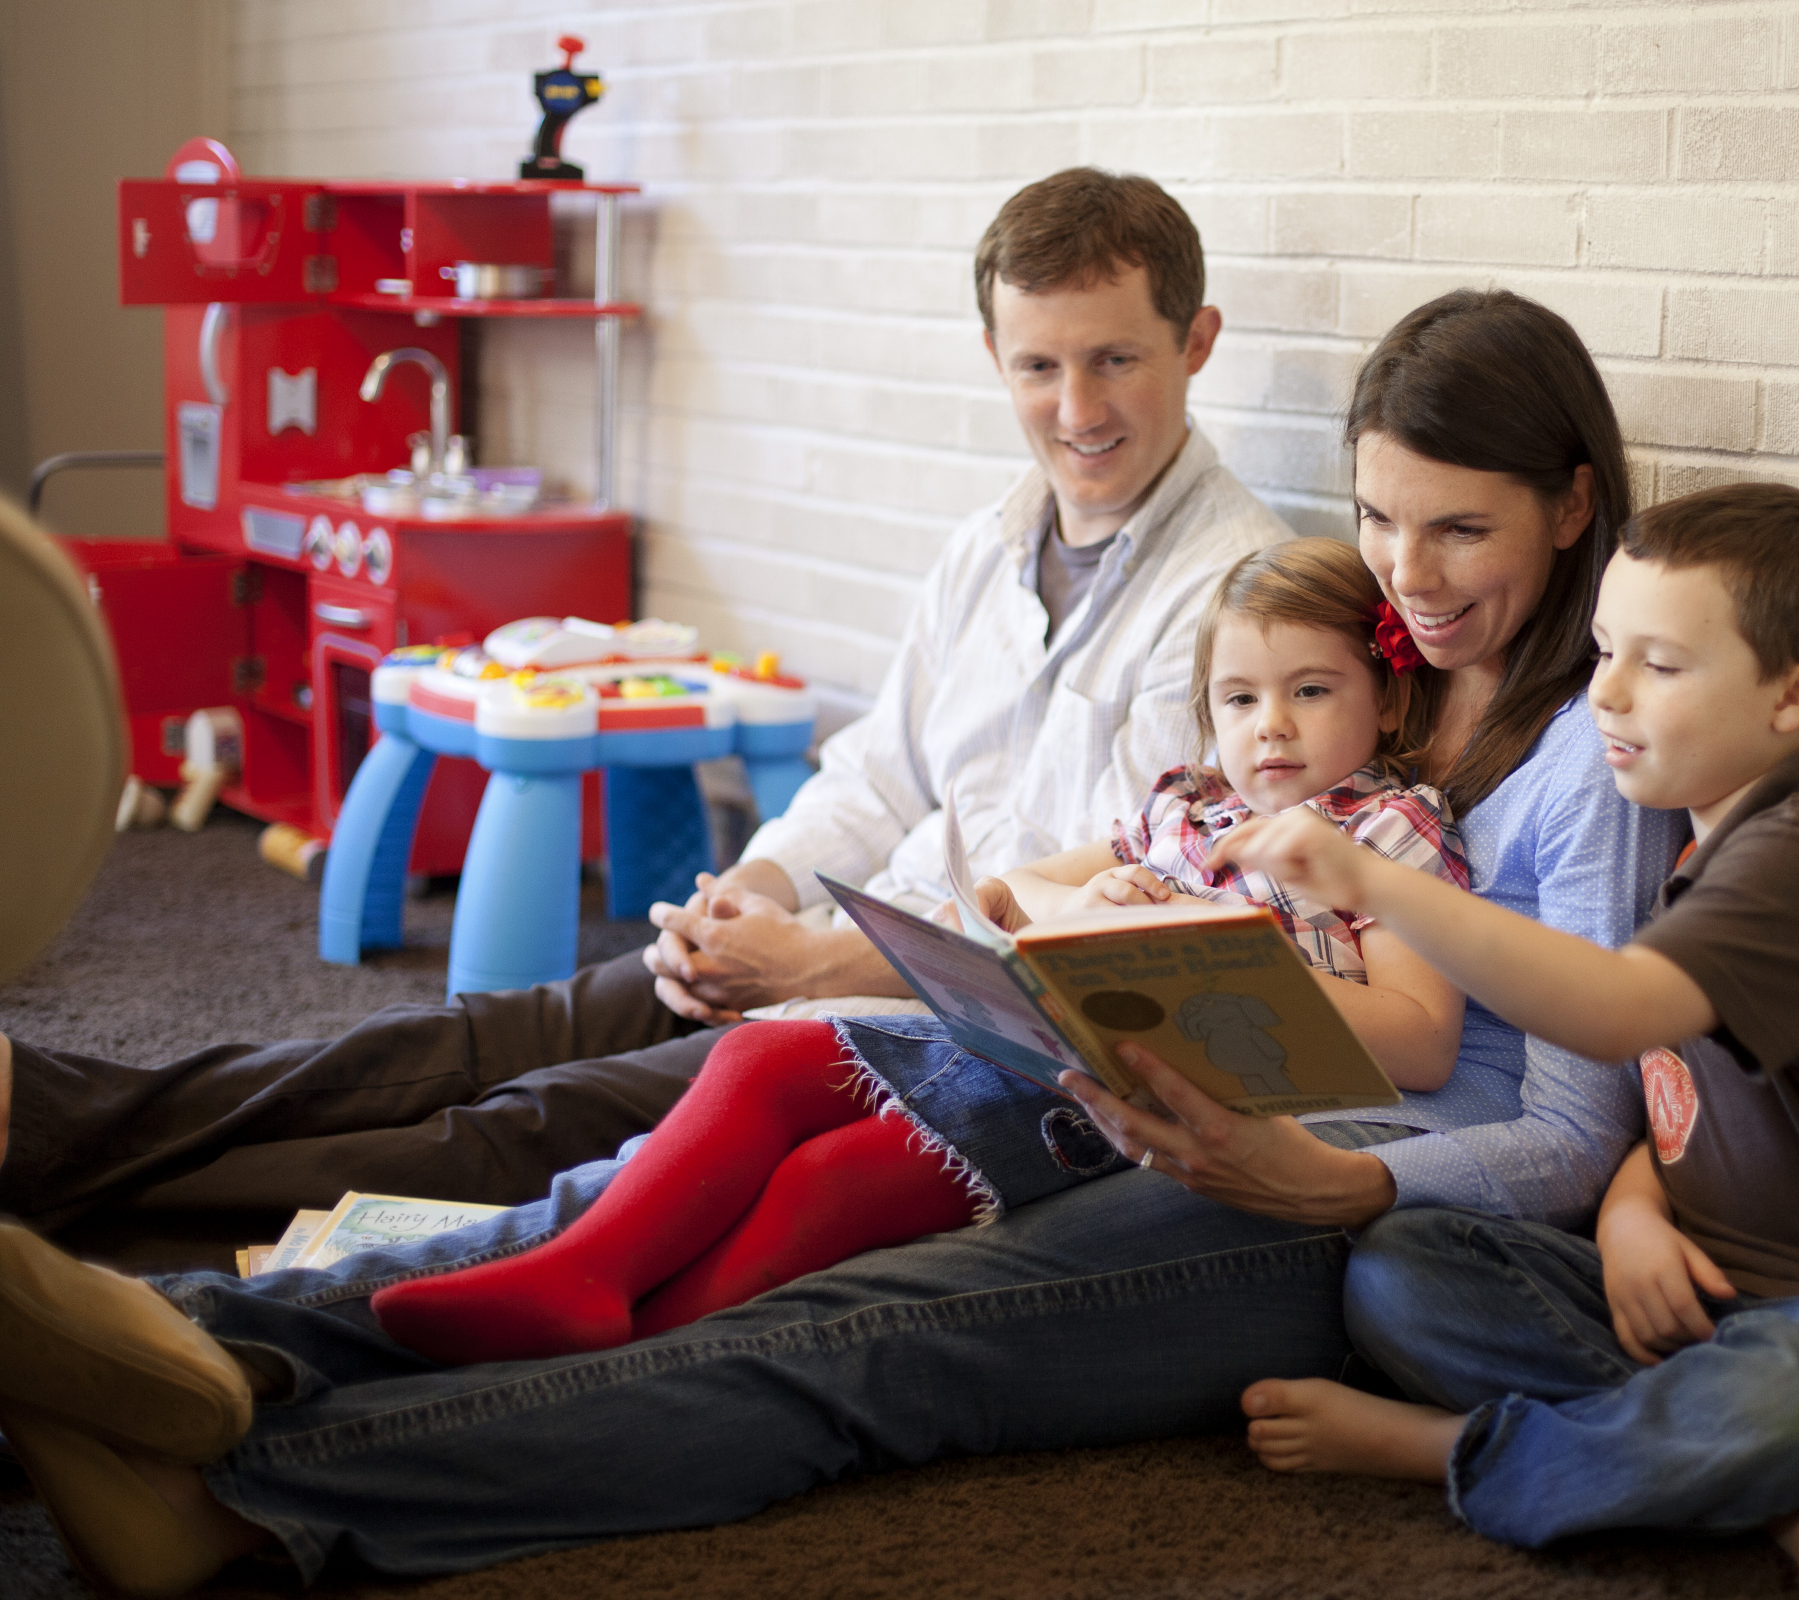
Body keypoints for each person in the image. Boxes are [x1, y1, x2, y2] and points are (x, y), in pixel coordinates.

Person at [0, 289, 1690, 1591]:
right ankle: (205, 1347)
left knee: (851, 1327)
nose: (1413, 572)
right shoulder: (1375, 671)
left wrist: (1342, 1185)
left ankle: (244, 1503)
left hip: (1318, 1190)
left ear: (1570, 505)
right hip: (1147, 1084)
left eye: (1459, 529)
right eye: (1390, 523)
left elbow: (1566, 1118)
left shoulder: (1585, 761)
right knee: (624, 1185)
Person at [0, 166, 1293, 1236]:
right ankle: (50, 1112)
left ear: (1197, 342)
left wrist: (812, 964)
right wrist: (759, 897)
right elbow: (879, 776)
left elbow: (1102, 928)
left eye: (1115, 360)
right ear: (993, 356)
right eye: (1038, 367)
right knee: (477, 1035)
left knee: (523, 1123)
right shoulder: (989, 542)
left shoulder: (1235, 603)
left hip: (945, 1034)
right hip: (830, 945)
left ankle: (86, 1212)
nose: (1074, 411)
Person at [367, 539, 1471, 1365]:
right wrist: (1091, 895)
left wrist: (1244, 961)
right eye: (1240, 698)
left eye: (1310, 691)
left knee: (838, 1180)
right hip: (1045, 1040)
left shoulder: (1390, 832)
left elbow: (1423, 1040)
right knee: (756, 1062)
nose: (1270, 726)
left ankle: (634, 1345)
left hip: (1162, 1106)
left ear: (1385, 693)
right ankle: (584, 1272)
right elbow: (1020, 884)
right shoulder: (1189, 806)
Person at [1217, 483, 1799, 1596]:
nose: (1607, 696)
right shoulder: (1699, 846)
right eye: (1602, 652)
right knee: (1404, 1270)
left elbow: (1615, 1012)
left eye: (1659, 666)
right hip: (1689, 1294)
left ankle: (1445, 1449)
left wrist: (1367, 879)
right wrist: (1631, 1212)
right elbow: (1685, 1100)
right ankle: (1740, 1474)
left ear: (1796, 694)